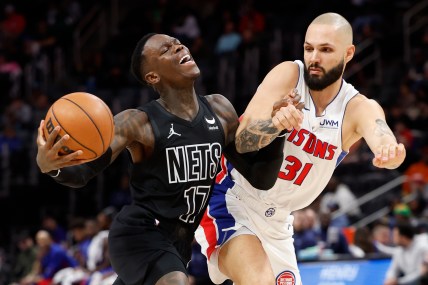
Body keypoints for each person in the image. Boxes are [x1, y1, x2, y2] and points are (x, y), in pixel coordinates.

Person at [36, 33, 289, 285]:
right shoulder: (137, 122)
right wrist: (50, 167)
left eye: (177, 42)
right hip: (140, 233)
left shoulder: (220, 110)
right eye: (167, 49)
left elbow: (260, 178)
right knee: (175, 281)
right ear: (153, 76)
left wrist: (279, 130)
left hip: (178, 245)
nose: (179, 46)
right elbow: (82, 174)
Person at [195, 12, 406, 285]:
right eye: (309, 48)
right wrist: (275, 125)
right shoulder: (289, 75)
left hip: (279, 219)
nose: (314, 58)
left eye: (326, 49)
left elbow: (381, 136)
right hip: (233, 197)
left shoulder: (357, 107)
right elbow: (242, 141)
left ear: (349, 53)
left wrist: (390, 152)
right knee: (259, 281)